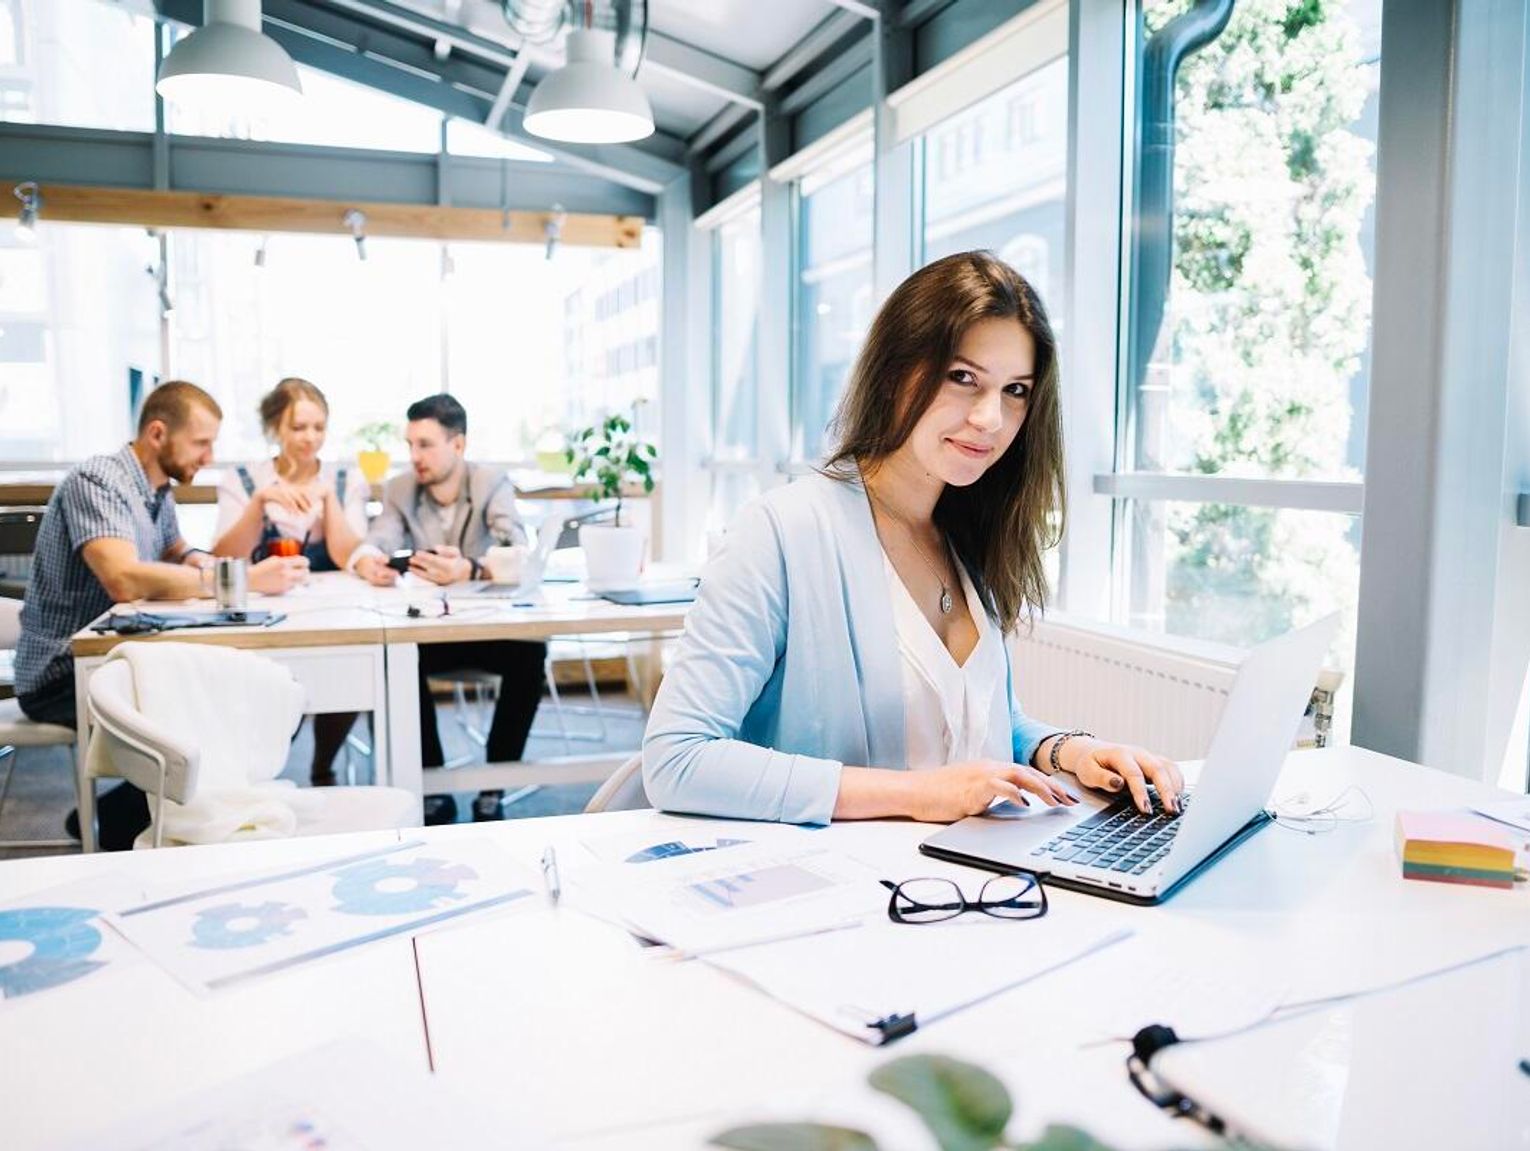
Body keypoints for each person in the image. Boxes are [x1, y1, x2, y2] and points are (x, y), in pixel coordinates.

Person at [643, 251, 1184, 826]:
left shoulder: (969, 529)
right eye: (963, 378)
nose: (991, 419)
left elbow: (969, 721)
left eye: (1015, 390)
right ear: (896, 370)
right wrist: (919, 795)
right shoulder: (780, 532)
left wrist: (1068, 751)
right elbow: (678, 758)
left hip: (971, 883)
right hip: (842, 892)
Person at [16, 381, 310, 849]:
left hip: (121, 657)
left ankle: (131, 820)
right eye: (201, 443)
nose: (208, 457)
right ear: (157, 433)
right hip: (63, 671)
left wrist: (201, 563)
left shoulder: (157, 491)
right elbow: (125, 578)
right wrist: (241, 580)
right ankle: (142, 828)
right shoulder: (99, 481)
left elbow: (175, 550)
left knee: (262, 695)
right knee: (224, 706)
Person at [349, 393, 546, 822]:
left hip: (488, 627)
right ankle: (431, 782)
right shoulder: (401, 488)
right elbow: (378, 537)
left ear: (458, 445)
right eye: (410, 445)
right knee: (393, 655)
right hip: (431, 628)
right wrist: (367, 563)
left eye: (425, 444)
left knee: (532, 651)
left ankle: (494, 782)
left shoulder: (489, 482)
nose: (414, 456)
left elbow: (518, 549)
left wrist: (471, 569)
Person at [213, 377, 369, 786]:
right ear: (274, 429)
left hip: (329, 611)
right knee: (272, 687)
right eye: (298, 427)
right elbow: (224, 556)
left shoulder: (343, 479)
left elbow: (348, 554)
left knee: (349, 668)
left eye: (319, 427)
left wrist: (328, 501)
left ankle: (323, 765)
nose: (310, 438)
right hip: (265, 613)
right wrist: (261, 501)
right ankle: (264, 773)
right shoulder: (244, 479)